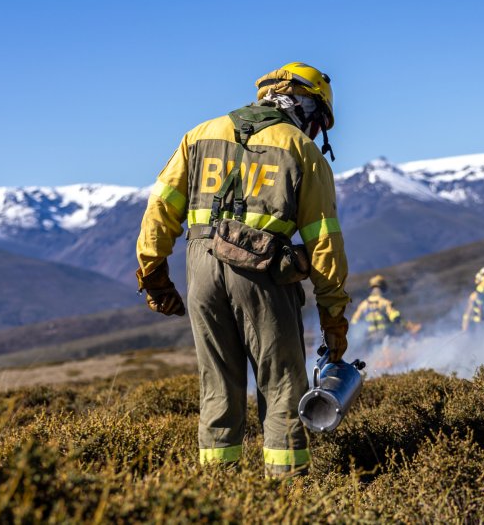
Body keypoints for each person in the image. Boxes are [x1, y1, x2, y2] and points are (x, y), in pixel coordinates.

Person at [134, 62, 351, 477]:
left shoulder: (198, 135)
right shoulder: (299, 150)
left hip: (201, 270)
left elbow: (160, 209)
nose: (316, 130)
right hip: (264, 276)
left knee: (217, 386)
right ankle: (287, 497)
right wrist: (333, 317)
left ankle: (219, 494)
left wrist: (153, 275)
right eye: (319, 120)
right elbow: (324, 242)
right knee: (284, 386)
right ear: (307, 106)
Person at [350, 275, 405, 344]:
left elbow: (354, 322)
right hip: (385, 337)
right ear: (382, 288)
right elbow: (395, 317)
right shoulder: (385, 302)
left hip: (370, 339)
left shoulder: (363, 305)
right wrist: (404, 324)